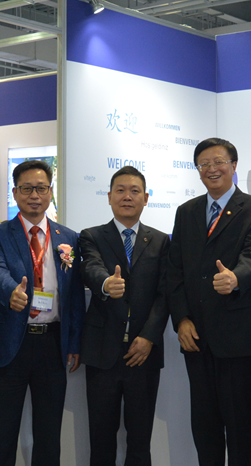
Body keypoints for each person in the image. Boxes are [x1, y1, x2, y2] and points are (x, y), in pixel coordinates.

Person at [167, 138, 251, 466]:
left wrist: (236, 278)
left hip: (236, 337)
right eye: (204, 164)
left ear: (234, 165)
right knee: (204, 425)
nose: (212, 169)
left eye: (219, 162)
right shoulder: (186, 212)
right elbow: (174, 271)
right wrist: (181, 319)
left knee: (238, 425)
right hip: (196, 337)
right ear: (198, 170)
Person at [0, 159, 84, 466]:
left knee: (49, 435)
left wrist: (74, 342)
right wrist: (10, 291)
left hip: (53, 344)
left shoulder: (68, 237)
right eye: (27, 189)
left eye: (41, 188)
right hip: (12, 342)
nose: (34, 195)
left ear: (51, 192)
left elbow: (74, 295)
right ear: (15, 193)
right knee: (3, 434)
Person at [80, 166, 170, 466]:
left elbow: (165, 294)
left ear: (146, 198)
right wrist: (106, 283)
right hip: (102, 351)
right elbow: (91, 267)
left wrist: (148, 338)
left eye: (134, 191)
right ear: (109, 197)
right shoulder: (91, 236)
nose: (127, 197)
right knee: (101, 440)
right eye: (120, 190)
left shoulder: (161, 241)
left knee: (140, 441)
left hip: (144, 354)